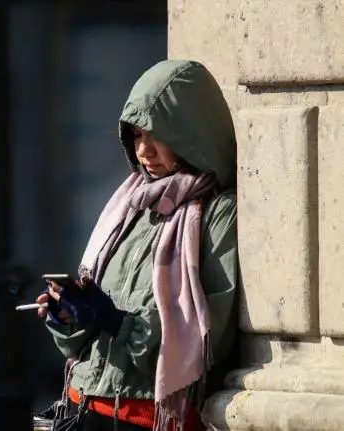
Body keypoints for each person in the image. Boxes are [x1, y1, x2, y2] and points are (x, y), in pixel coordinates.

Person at [36, 60, 239, 431]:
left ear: (190, 133)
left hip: (145, 419)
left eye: (156, 135)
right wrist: (71, 315)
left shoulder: (216, 213)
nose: (143, 151)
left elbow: (209, 340)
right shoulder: (130, 203)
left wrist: (118, 322)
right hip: (83, 409)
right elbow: (89, 340)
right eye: (135, 135)